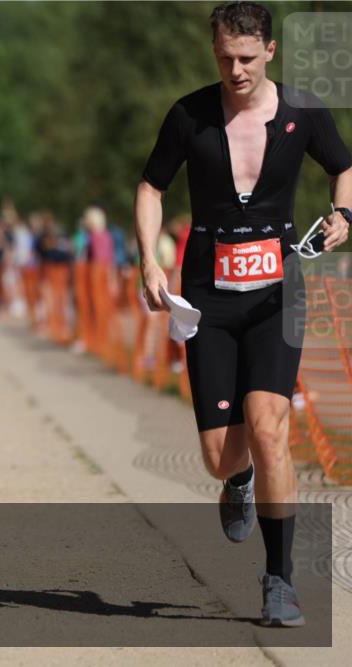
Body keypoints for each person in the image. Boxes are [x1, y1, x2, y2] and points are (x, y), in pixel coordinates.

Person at [135, 1, 351, 627]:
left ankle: (280, 580)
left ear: (271, 53)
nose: (236, 70)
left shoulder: (304, 113)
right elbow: (153, 186)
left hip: (277, 291)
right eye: (226, 58)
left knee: (270, 424)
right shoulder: (190, 115)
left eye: (248, 59)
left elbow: (345, 167)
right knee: (220, 457)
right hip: (208, 294)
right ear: (214, 53)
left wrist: (344, 215)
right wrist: (148, 259)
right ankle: (239, 479)